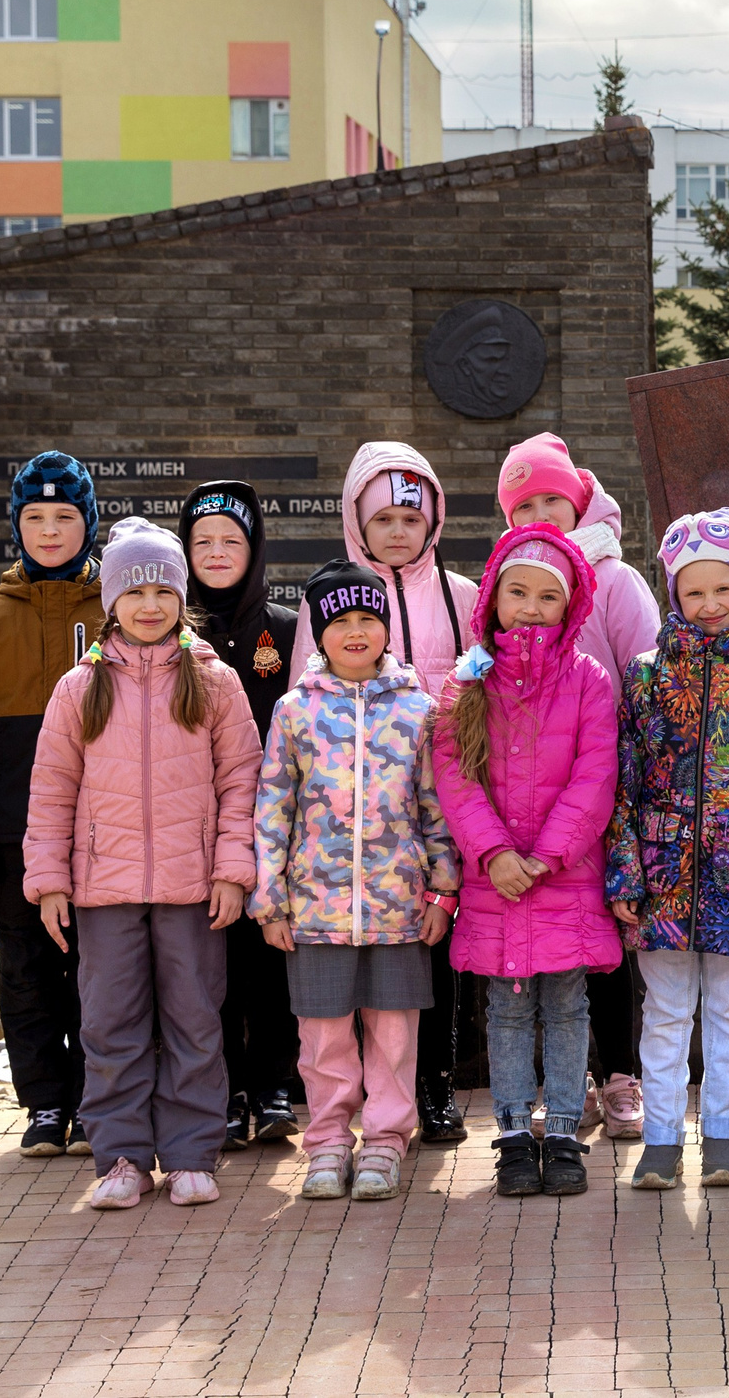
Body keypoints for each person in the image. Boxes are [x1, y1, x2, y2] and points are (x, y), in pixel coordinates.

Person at [23, 518, 262, 1210]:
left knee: (194, 1017)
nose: (150, 604)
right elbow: (51, 788)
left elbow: (241, 780)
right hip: (105, 888)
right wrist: (49, 881)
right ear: (112, 602)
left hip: (194, 886)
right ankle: (122, 1154)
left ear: (181, 598)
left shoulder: (214, 682)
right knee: (110, 1022)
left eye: (164, 589)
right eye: (136, 591)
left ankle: (191, 1153)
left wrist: (232, 868)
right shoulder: (79, 687)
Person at [250, 560, 459, 1203]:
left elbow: (436, 805)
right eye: (341, 621)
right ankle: (329, 1140)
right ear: (319, 633)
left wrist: (444, 888)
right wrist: (270, 897)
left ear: (387, 630)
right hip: (315, 907)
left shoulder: (419, 710)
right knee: (323, 1033)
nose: (357, 631)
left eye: (369, 618)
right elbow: (272, 808)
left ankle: (388, 1139)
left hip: (399, 904)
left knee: (394, 1030)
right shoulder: (294, 712)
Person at [607, 510, 729, 1189]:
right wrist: (626, 872)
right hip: (662, 881)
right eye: (694, 592)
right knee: (663, 1015)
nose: (710, 604)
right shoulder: (644, 675)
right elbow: (623, 785)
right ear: (673, 595)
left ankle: (722, 1135)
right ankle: (660, 1139)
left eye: (723, 588)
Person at [430, 525, 624, 1200]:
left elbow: (596, 774)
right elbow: (454, 774)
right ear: (493, 596)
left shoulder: (588, 680)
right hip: (496, 881)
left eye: (548, 595)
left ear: (570, 606)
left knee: (568, 1006)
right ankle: (514, 1133)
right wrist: (493, 852)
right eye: (519, 591)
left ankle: (565, 1129)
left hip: (563, 875)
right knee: (508, 1010)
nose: (532, 606)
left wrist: (544, 856)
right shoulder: (468, 681)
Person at [296, 442, 481, 1148]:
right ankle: (355, 1103)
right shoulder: (335, 599)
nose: (399, 530)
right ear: (358, 522)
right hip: (359, 817)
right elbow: (300, 701)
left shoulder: (462, 596)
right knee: (374, 970)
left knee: (435, 955)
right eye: (384, 518)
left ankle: (433, 1085)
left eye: (412, 515)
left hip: (449, 797)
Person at [497, 431, 662, 1140]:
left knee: (606, 939)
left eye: (552, 500)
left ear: (579, 501)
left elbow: (649, 678)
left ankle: (621, 1075)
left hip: (607, 786)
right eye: (525, 502)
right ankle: (564, 1083)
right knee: (548, 944)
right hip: (529, 794)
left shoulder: (615, 581)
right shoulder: (512, 576)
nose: (540, 511)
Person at [0, 451, 103, 1161]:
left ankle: (101, 1097)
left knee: (102, 964)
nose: (48, 530)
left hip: (105, 821)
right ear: (16, 525)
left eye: (64, 516)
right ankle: (45, 1102)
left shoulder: (117, 606)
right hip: (15, 822)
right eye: (34, 517)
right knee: (28, 963)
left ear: (87, 524)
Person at [179, 479, 302, 1153]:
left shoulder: (284, 628)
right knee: (210, 962)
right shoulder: (170, 628)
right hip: (194, 828)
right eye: (204, 541)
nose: (218, 551)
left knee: (269, 958)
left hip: (272, 823)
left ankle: (273, 1087)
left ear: (254, 548)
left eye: (233, 540)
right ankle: (222, 1091)